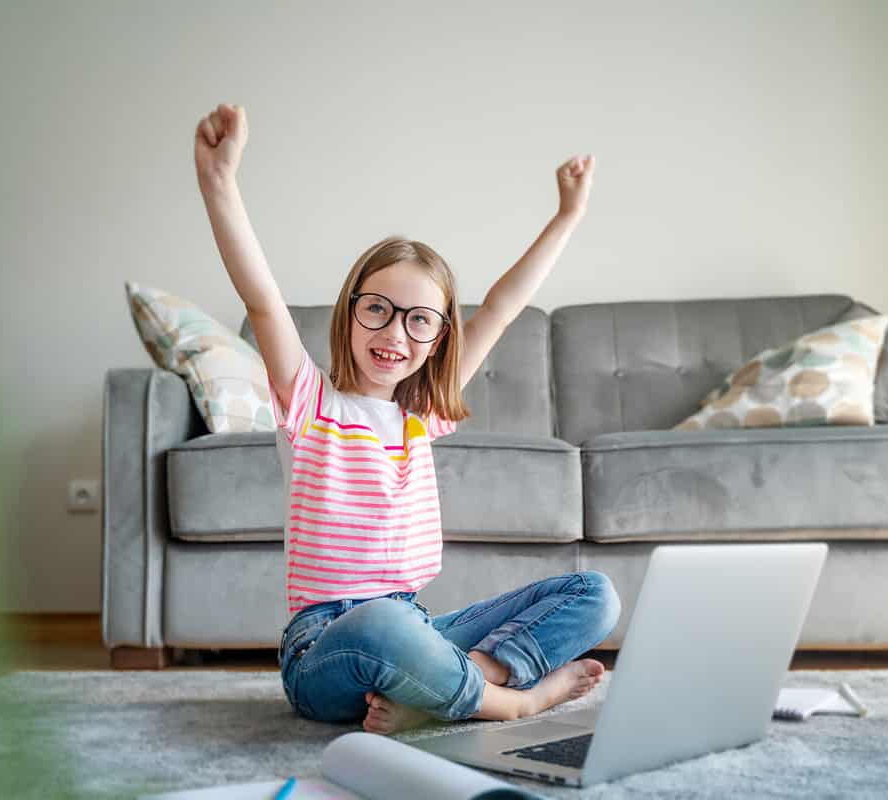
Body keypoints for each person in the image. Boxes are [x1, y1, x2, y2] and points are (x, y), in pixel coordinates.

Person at [195, 103, 621, 735]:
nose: (396, 332)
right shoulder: (310, 403)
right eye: (379, 309)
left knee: (596, 596)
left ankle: (449, 683)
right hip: (327, 647)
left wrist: (567, 216)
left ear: (438, 337)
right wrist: (219, 181)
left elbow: (501, 308)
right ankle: (513, 699)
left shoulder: (420, 415)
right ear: (349, 312)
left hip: (417, 628)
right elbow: (260, 298)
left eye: (419, 319)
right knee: (383, 623)